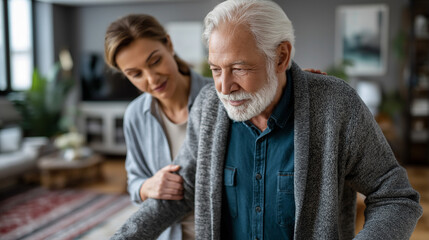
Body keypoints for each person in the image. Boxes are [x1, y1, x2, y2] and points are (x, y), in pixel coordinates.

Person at [111, 1, 423, 239]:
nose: (223, 86)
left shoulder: (336, 106)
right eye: (216, 69)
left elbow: (395, 196)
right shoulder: (208, 106)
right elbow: (185, 188)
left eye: (239, 68)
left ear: (281, 57)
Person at [104, 14, 212, 240]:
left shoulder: (217, 99)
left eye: (155, 61)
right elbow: (134, 182)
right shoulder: (135, 115)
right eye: (136, 74)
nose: (152, 79)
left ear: (169, 45)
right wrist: (148, 187)